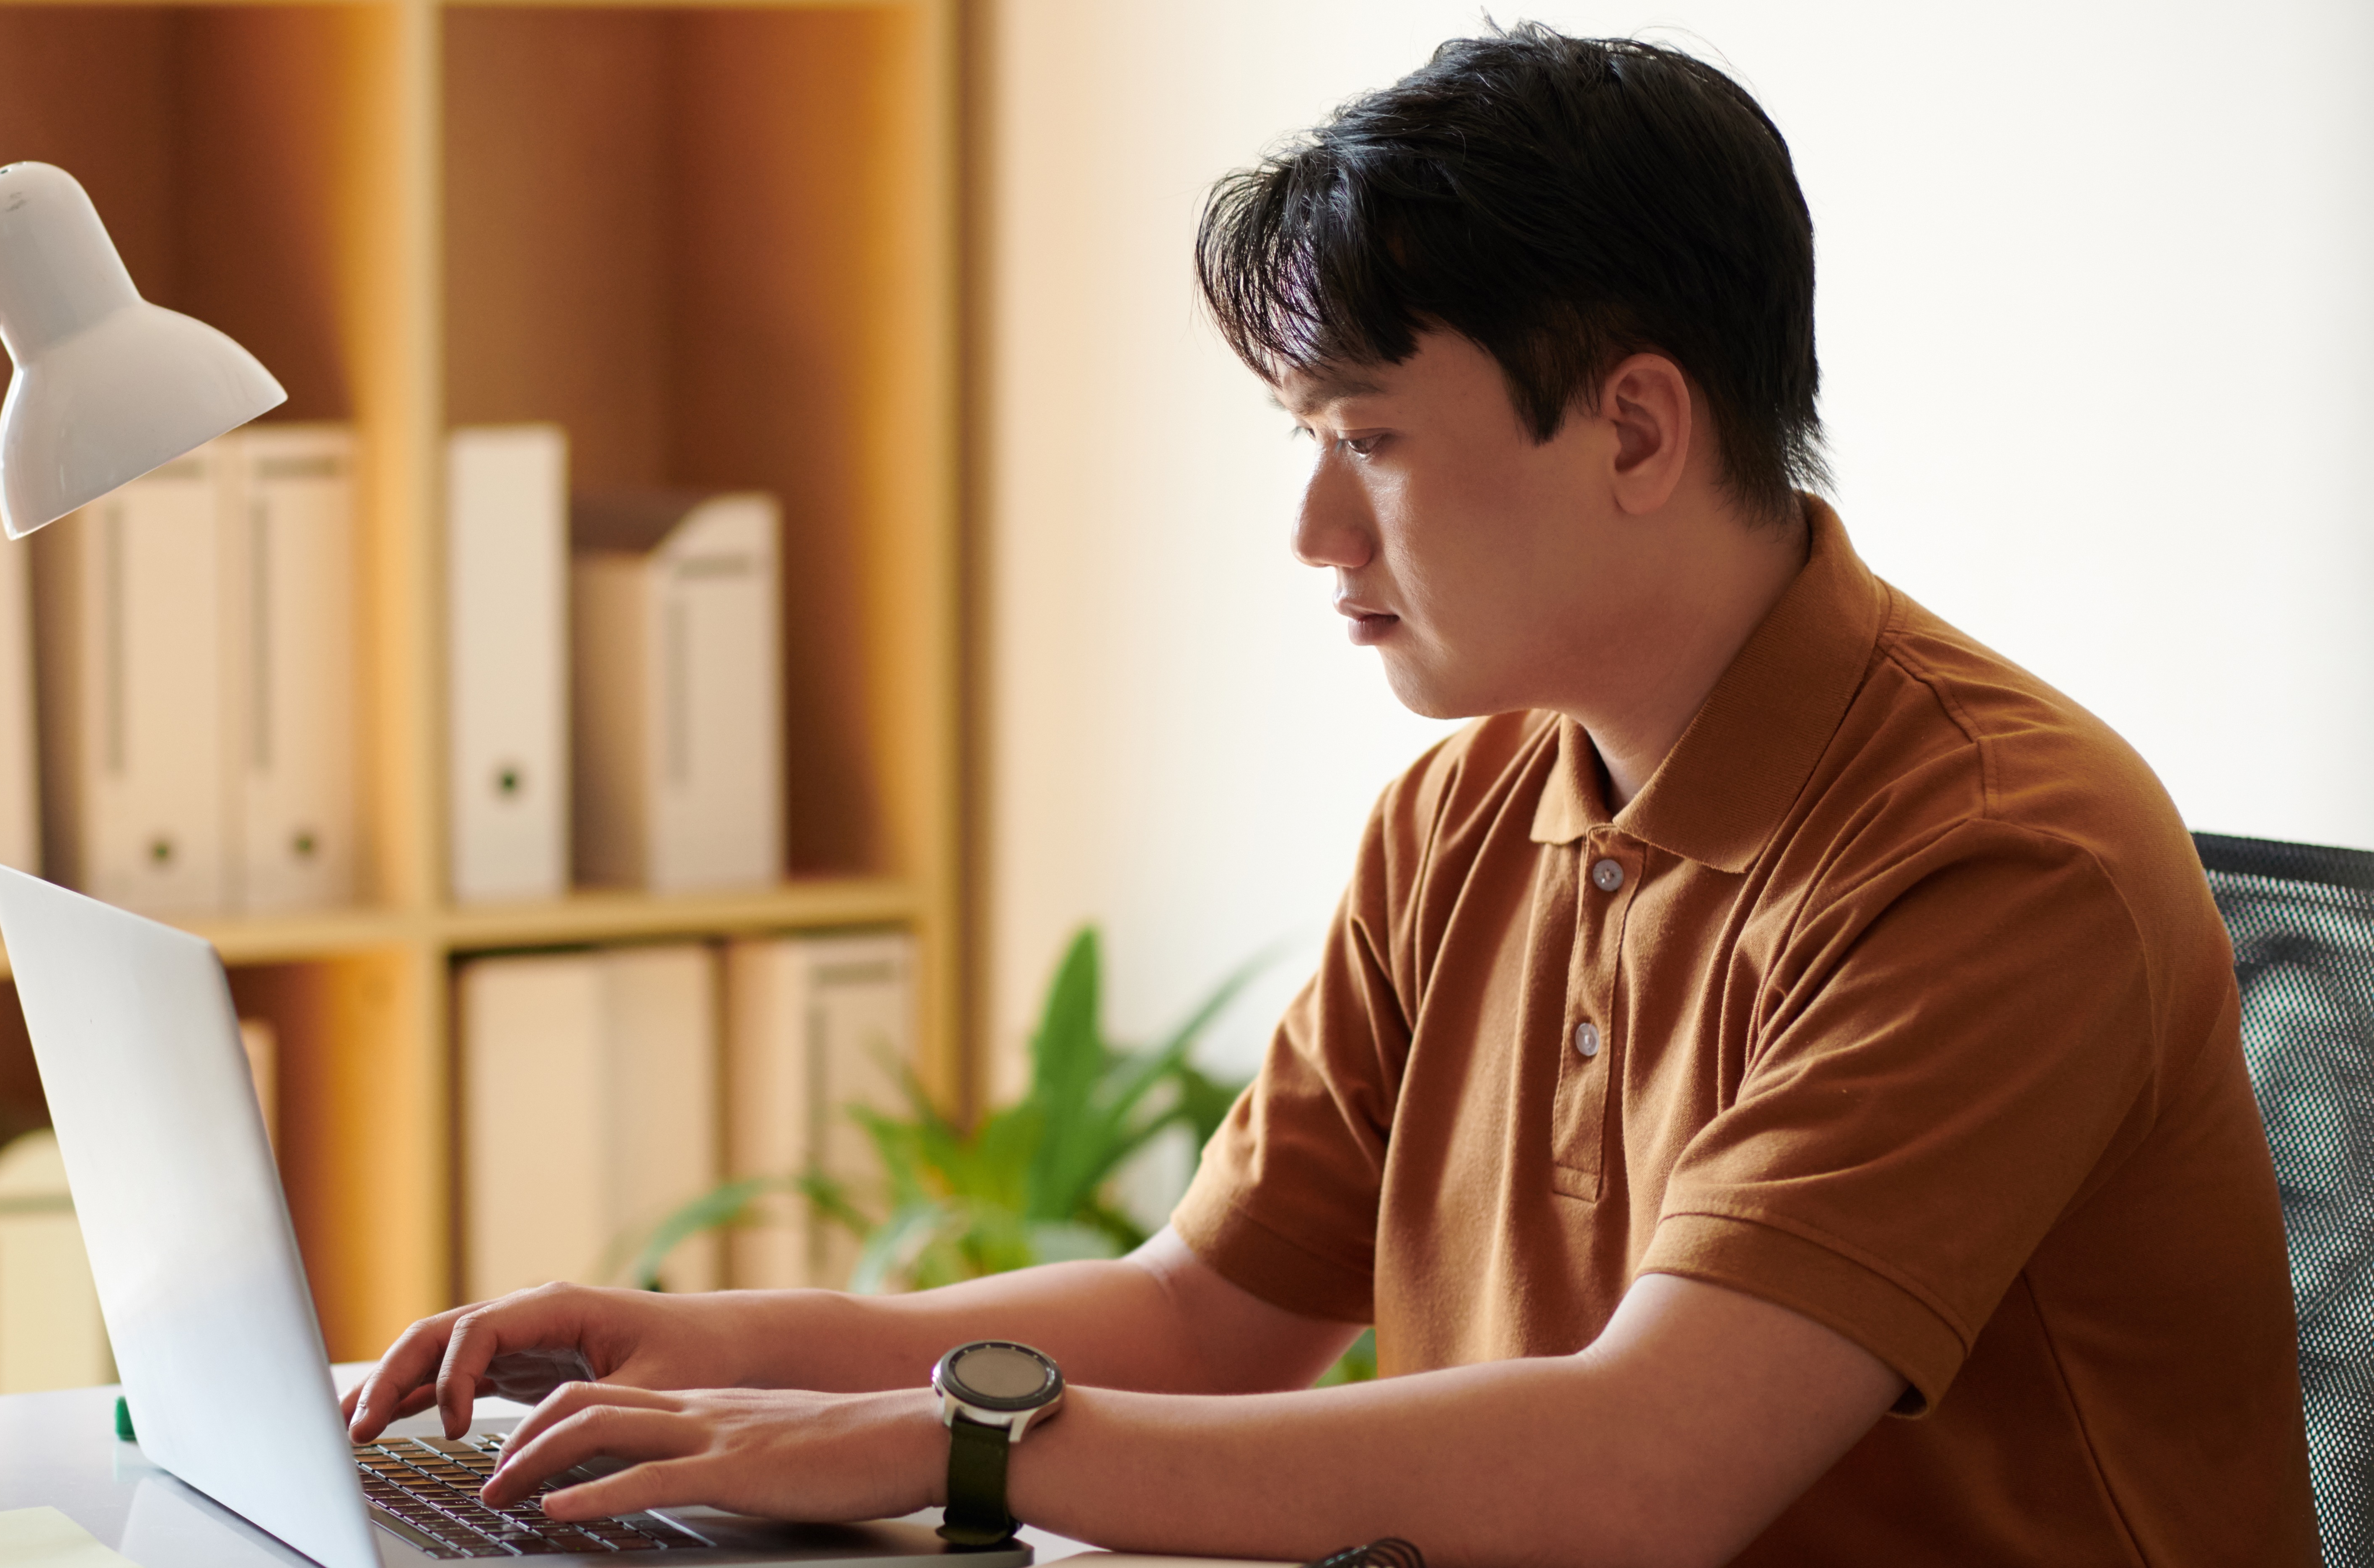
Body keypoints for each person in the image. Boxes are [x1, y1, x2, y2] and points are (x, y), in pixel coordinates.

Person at [348, 25, 2317, 1566]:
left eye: (1368, 440)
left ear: (1636, 425)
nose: (1311, 529)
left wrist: (959, 1447)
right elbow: (1212, 1310)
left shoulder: (1992, 851)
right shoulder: (1472, 808)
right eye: (1307, 438)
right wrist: (717, 1347)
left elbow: (1653, 1468)